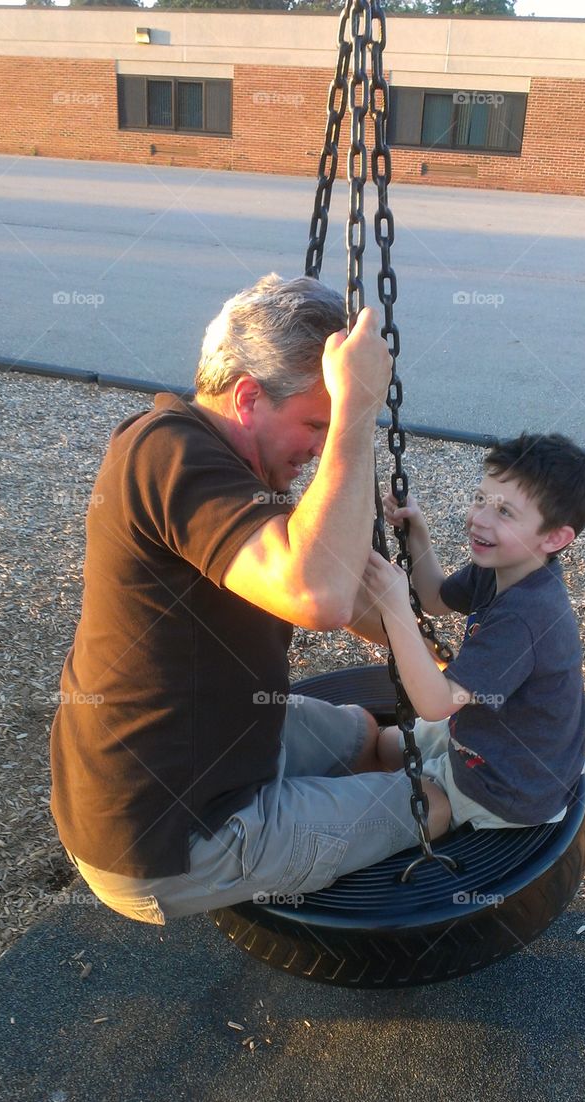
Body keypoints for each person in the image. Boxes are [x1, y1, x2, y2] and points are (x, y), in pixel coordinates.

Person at [49, 274, 450, 925]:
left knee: (364, 736)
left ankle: (332, 816)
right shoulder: (165, 454)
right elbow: (316, 596)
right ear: (246, 397)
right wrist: (355, 413)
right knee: (434, 801)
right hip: (169, 834)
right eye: (314, 424)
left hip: (213, 742)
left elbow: (356, 602)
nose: (320, 447)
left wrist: (440, 644)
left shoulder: (230, 467)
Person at [362, 432, 585, 832]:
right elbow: (435, 596)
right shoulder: (505, 567)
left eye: (505, 512)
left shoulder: (526, 616)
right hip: (490, 734)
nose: (480, 519)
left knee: (391, 801)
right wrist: (417, 531)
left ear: (554, 537)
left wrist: (394, 606)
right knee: (383, 746)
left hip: (509, 786)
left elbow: (435, 703)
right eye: (480, 499)